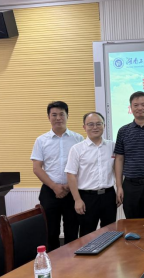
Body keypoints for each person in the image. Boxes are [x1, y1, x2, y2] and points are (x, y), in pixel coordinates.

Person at [31, 101, 83, 251]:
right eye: (54, 115)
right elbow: (37, 168)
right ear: (49, 117)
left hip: (72, 191)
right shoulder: (41, 140)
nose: (58, 118)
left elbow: (83, 167)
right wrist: (54, 187)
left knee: (72, 230)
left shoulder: (78, 139)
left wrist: (68, 186)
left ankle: (71, 262)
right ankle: (53, 261)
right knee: (50, 232)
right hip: (49, 191)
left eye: (61, 114)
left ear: (67, 116)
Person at [65, 112, 118, 237]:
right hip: (87, 197)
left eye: (98, 124)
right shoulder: (77, 149)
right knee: (87, 234)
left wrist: (119, 188)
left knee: (110, 233)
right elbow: (71, 175)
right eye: (90, 124)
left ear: (104, 126)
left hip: (109, 195)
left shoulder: (112, 146)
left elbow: (117, 168)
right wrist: (77, 200)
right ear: (84, 127)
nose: (95, 127)